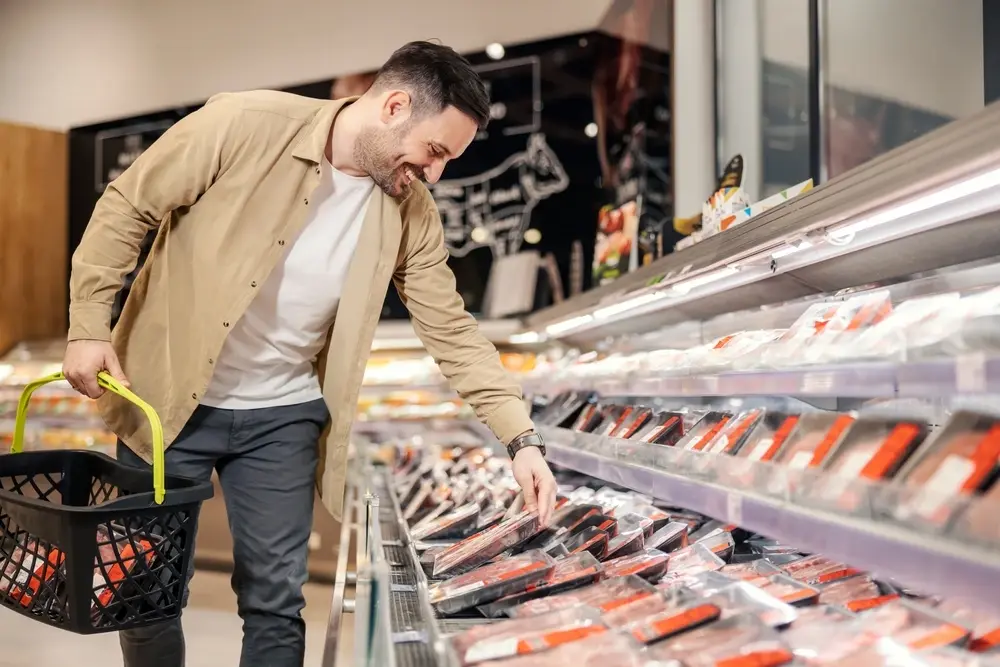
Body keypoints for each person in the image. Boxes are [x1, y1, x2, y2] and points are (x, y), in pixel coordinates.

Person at [63, 40, 557, 667]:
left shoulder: (410, 211)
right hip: (163, 403)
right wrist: (87, 324)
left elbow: (450, 328)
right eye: (435, 151)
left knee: (275, 603)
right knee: (146, 593)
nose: (434, 174)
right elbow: (127, 206)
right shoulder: (242, 124)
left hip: (283, 417)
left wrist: (522, 439)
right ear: (395, 106)